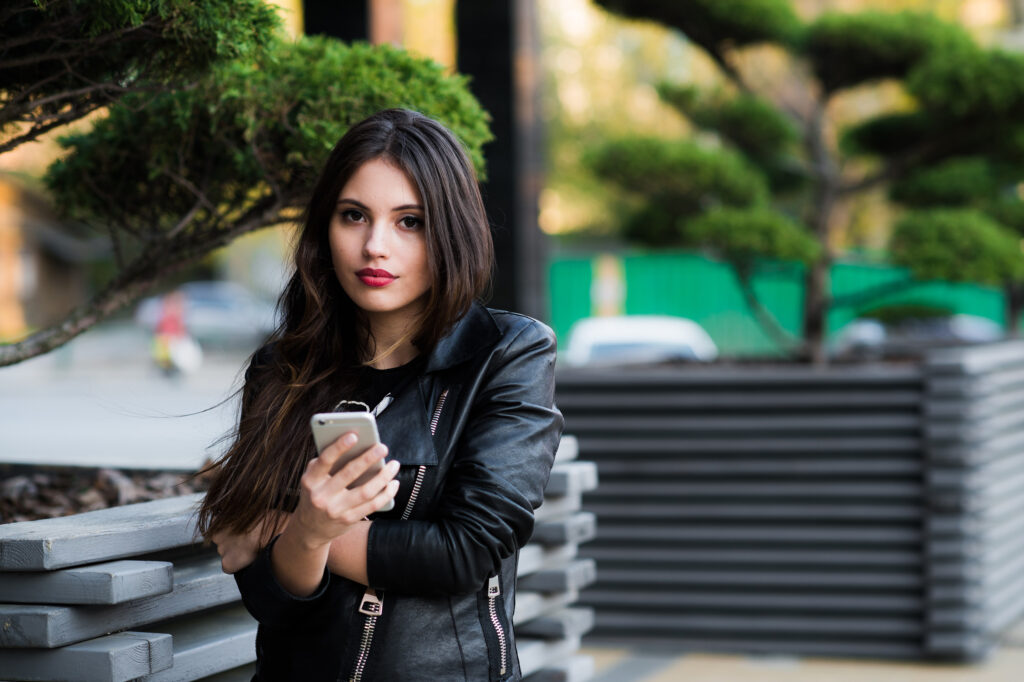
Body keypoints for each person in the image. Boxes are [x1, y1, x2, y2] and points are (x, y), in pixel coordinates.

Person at [196, 108, 564, 682]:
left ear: (451, 229)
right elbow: (268, 600)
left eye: (409, 221)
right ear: (326, 227)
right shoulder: (281, 368)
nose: (375, 246)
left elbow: (465, 550)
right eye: (354, 216)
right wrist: (305, 535)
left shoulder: (506, 353)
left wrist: (280, 527)